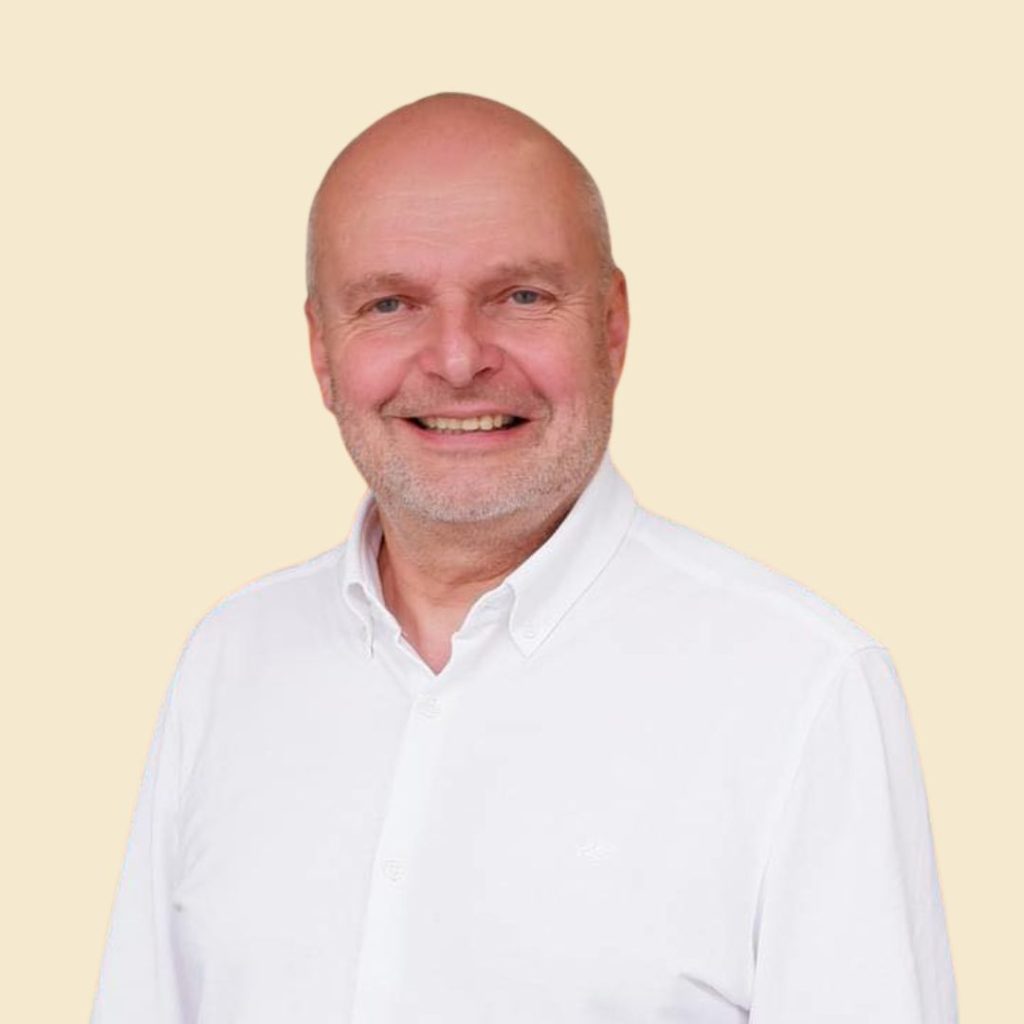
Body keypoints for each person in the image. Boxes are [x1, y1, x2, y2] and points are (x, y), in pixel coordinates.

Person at [91, 93, 958, 1023]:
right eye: (390, 304)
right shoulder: (231, 660)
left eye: (522, 297)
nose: (458, 359)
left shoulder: (803, 688)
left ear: (612, 326)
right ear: (320, 350)